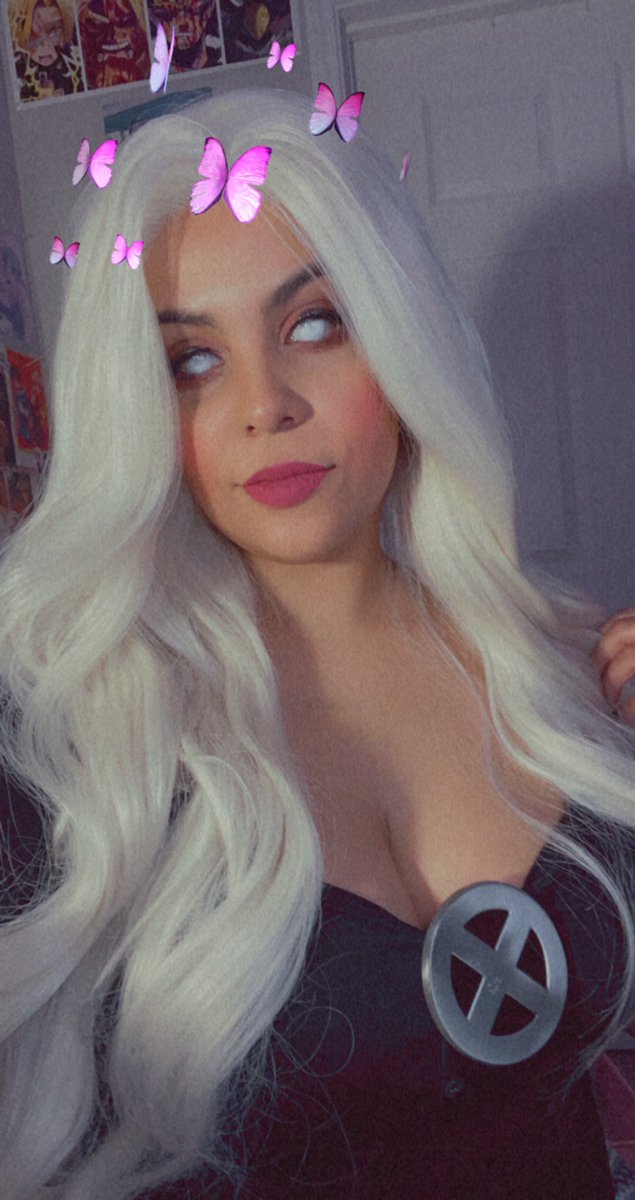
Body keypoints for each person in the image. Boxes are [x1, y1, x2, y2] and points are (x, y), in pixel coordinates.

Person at [0, 87, 634, 1200]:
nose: (266, 406)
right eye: (191, 361)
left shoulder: (567, 667)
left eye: (314, 324)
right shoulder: (73, 742)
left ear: (402, 339)